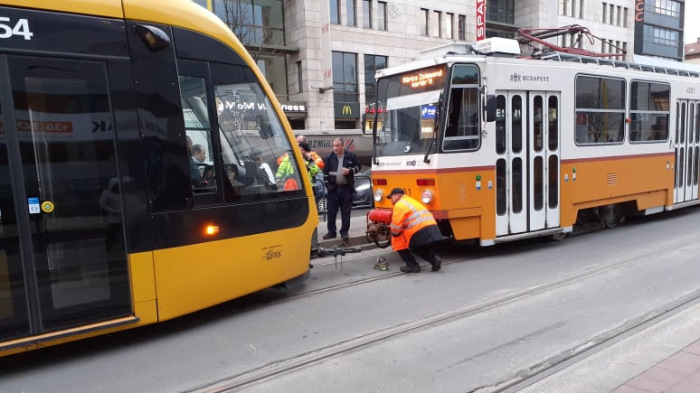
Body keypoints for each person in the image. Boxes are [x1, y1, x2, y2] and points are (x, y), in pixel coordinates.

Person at [387, 187, 442, 273]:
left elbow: (396, 228)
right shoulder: (411, 201)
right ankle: (434, 260)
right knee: (418, 248)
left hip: (419, 229)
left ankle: (412, 265)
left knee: (397, 241)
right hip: (433, 227)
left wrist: (393, 234)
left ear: (397, 196)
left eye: (391, 197)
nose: (391, 200)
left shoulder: (399, 205)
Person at [322, 137, 361, 243]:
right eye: (334, 145)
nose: (335, 148)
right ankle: (331, 232)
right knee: (331, 212)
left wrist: (350, 171)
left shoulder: (351, 156)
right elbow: (325, 173)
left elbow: (358, 167)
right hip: (333, 189)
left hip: (346, 189)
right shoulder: (329, 157)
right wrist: (328, 186)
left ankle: (344, 232)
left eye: (337, 146)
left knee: (346, 212)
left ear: (343, 146)